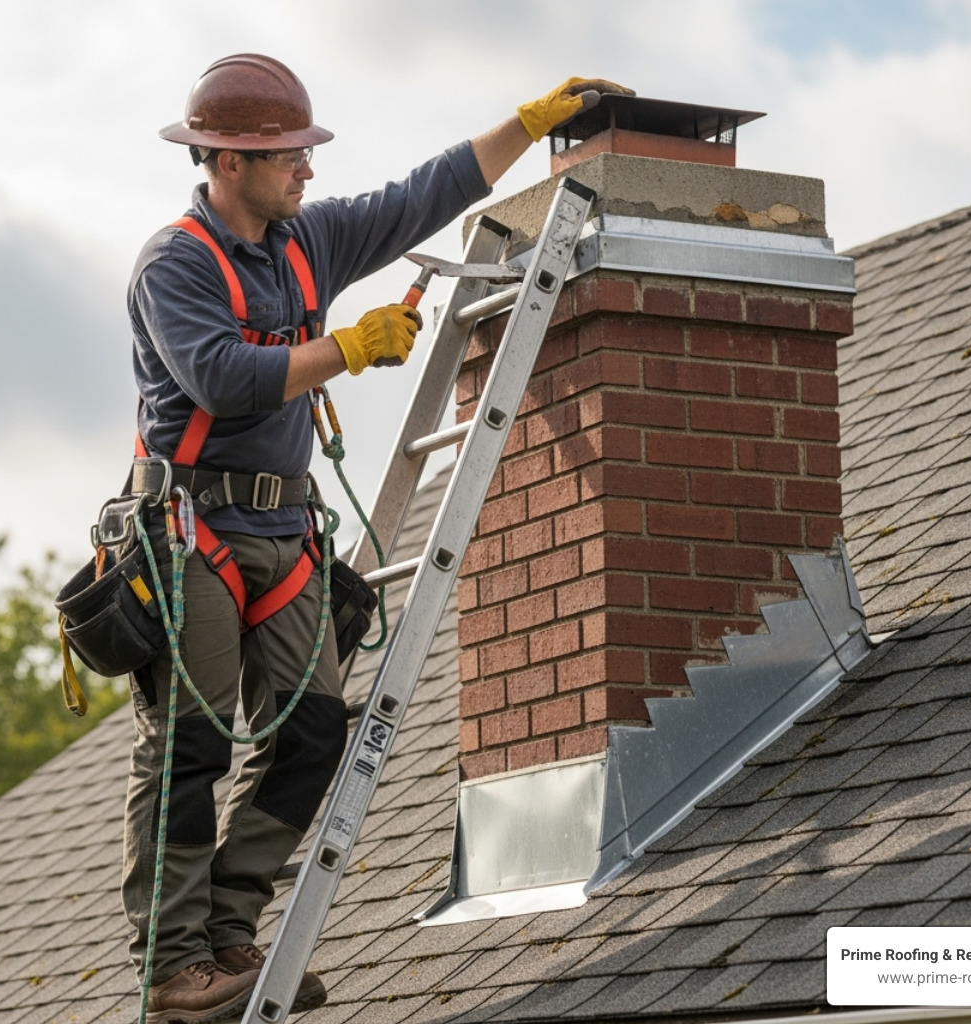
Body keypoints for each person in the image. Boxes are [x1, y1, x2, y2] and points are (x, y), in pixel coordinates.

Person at [124, 54, 630, 1024]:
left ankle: (229, 928)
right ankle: (174, 967)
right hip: (193, 531)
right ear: (228, 161)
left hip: (282, 527)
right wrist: (346, 349)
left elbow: (420, 196)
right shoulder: (176, 263)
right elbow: (223, 378)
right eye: (287, 158)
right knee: (190, 747)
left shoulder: (305, 241)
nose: (306, 171)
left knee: (314, 731)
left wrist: (526, 123)